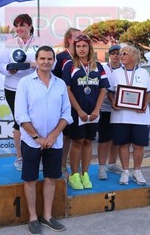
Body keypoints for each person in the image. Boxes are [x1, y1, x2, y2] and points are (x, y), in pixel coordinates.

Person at [15, 45, 73, 234]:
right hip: (32, 142)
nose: (46, 62)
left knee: (51, 178)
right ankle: (33, 217)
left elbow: (66, 113)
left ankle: (47, 216)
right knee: (30, 179)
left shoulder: (60, 84)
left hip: (54, 142)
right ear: (37, 60)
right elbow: (21, 115)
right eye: (42, 59)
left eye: (50, 59)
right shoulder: (25, 83)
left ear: (54, 61)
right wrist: (37, 137)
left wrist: (54, 135)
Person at [62, 34, 109, 190]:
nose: (81, 49)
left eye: (84, 46)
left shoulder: (99, 66)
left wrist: (97, 109)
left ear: (90, 48)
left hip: (94, 112)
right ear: (74, 48)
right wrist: (79, 110)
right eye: (78, 46)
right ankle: (74, 175)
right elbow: (67, 90)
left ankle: (85, 174)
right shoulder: (69, 65)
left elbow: (103, 89)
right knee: (78, 141)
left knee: (88, 141)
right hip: (77, 112)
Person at [108, 45, 150, 186]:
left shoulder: (143, 73)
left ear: (133, 56)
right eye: (120, 53)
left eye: (125, 53)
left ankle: (137, 171)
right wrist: (114, 102)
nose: (121, 56)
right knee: (123, 145)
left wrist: (144, 104)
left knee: (139, 145)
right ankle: (125, 172)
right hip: (120, 116)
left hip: (140, 117)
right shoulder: (115, 73)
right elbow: (110, 92)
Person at [0, 14, 38, 171]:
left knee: (35, 120)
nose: (19, 28)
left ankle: (36, 155)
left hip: (35, 87)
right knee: (19, 121)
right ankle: (20, 158)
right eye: (17, 25)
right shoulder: (8, 44)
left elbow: (49, 62)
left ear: (29, 26)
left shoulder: (39, 43)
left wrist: (36, 64)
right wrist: (10, 70)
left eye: (22, 25)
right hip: (13, 88)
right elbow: (0, 64)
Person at [52, 27, 81, 179]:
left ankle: (66, 165)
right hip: (61, 101)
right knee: (59, 135)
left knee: (71, 136)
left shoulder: (82, 57)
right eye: (77, 37)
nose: (79, 40)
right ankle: (57, 165)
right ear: (69, 39)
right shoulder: (60, 57)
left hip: (77, 102)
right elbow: (52, 78)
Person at [98, 44, 123, 179]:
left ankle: (111, 164)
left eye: (118, 53)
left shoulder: (124, 70)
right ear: (109, 55)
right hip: (105, 108)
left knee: (116, 139)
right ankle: (102, 167)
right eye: (113, 53)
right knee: (104, 139)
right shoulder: (102, 67)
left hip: (120, 109)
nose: (115, 55)